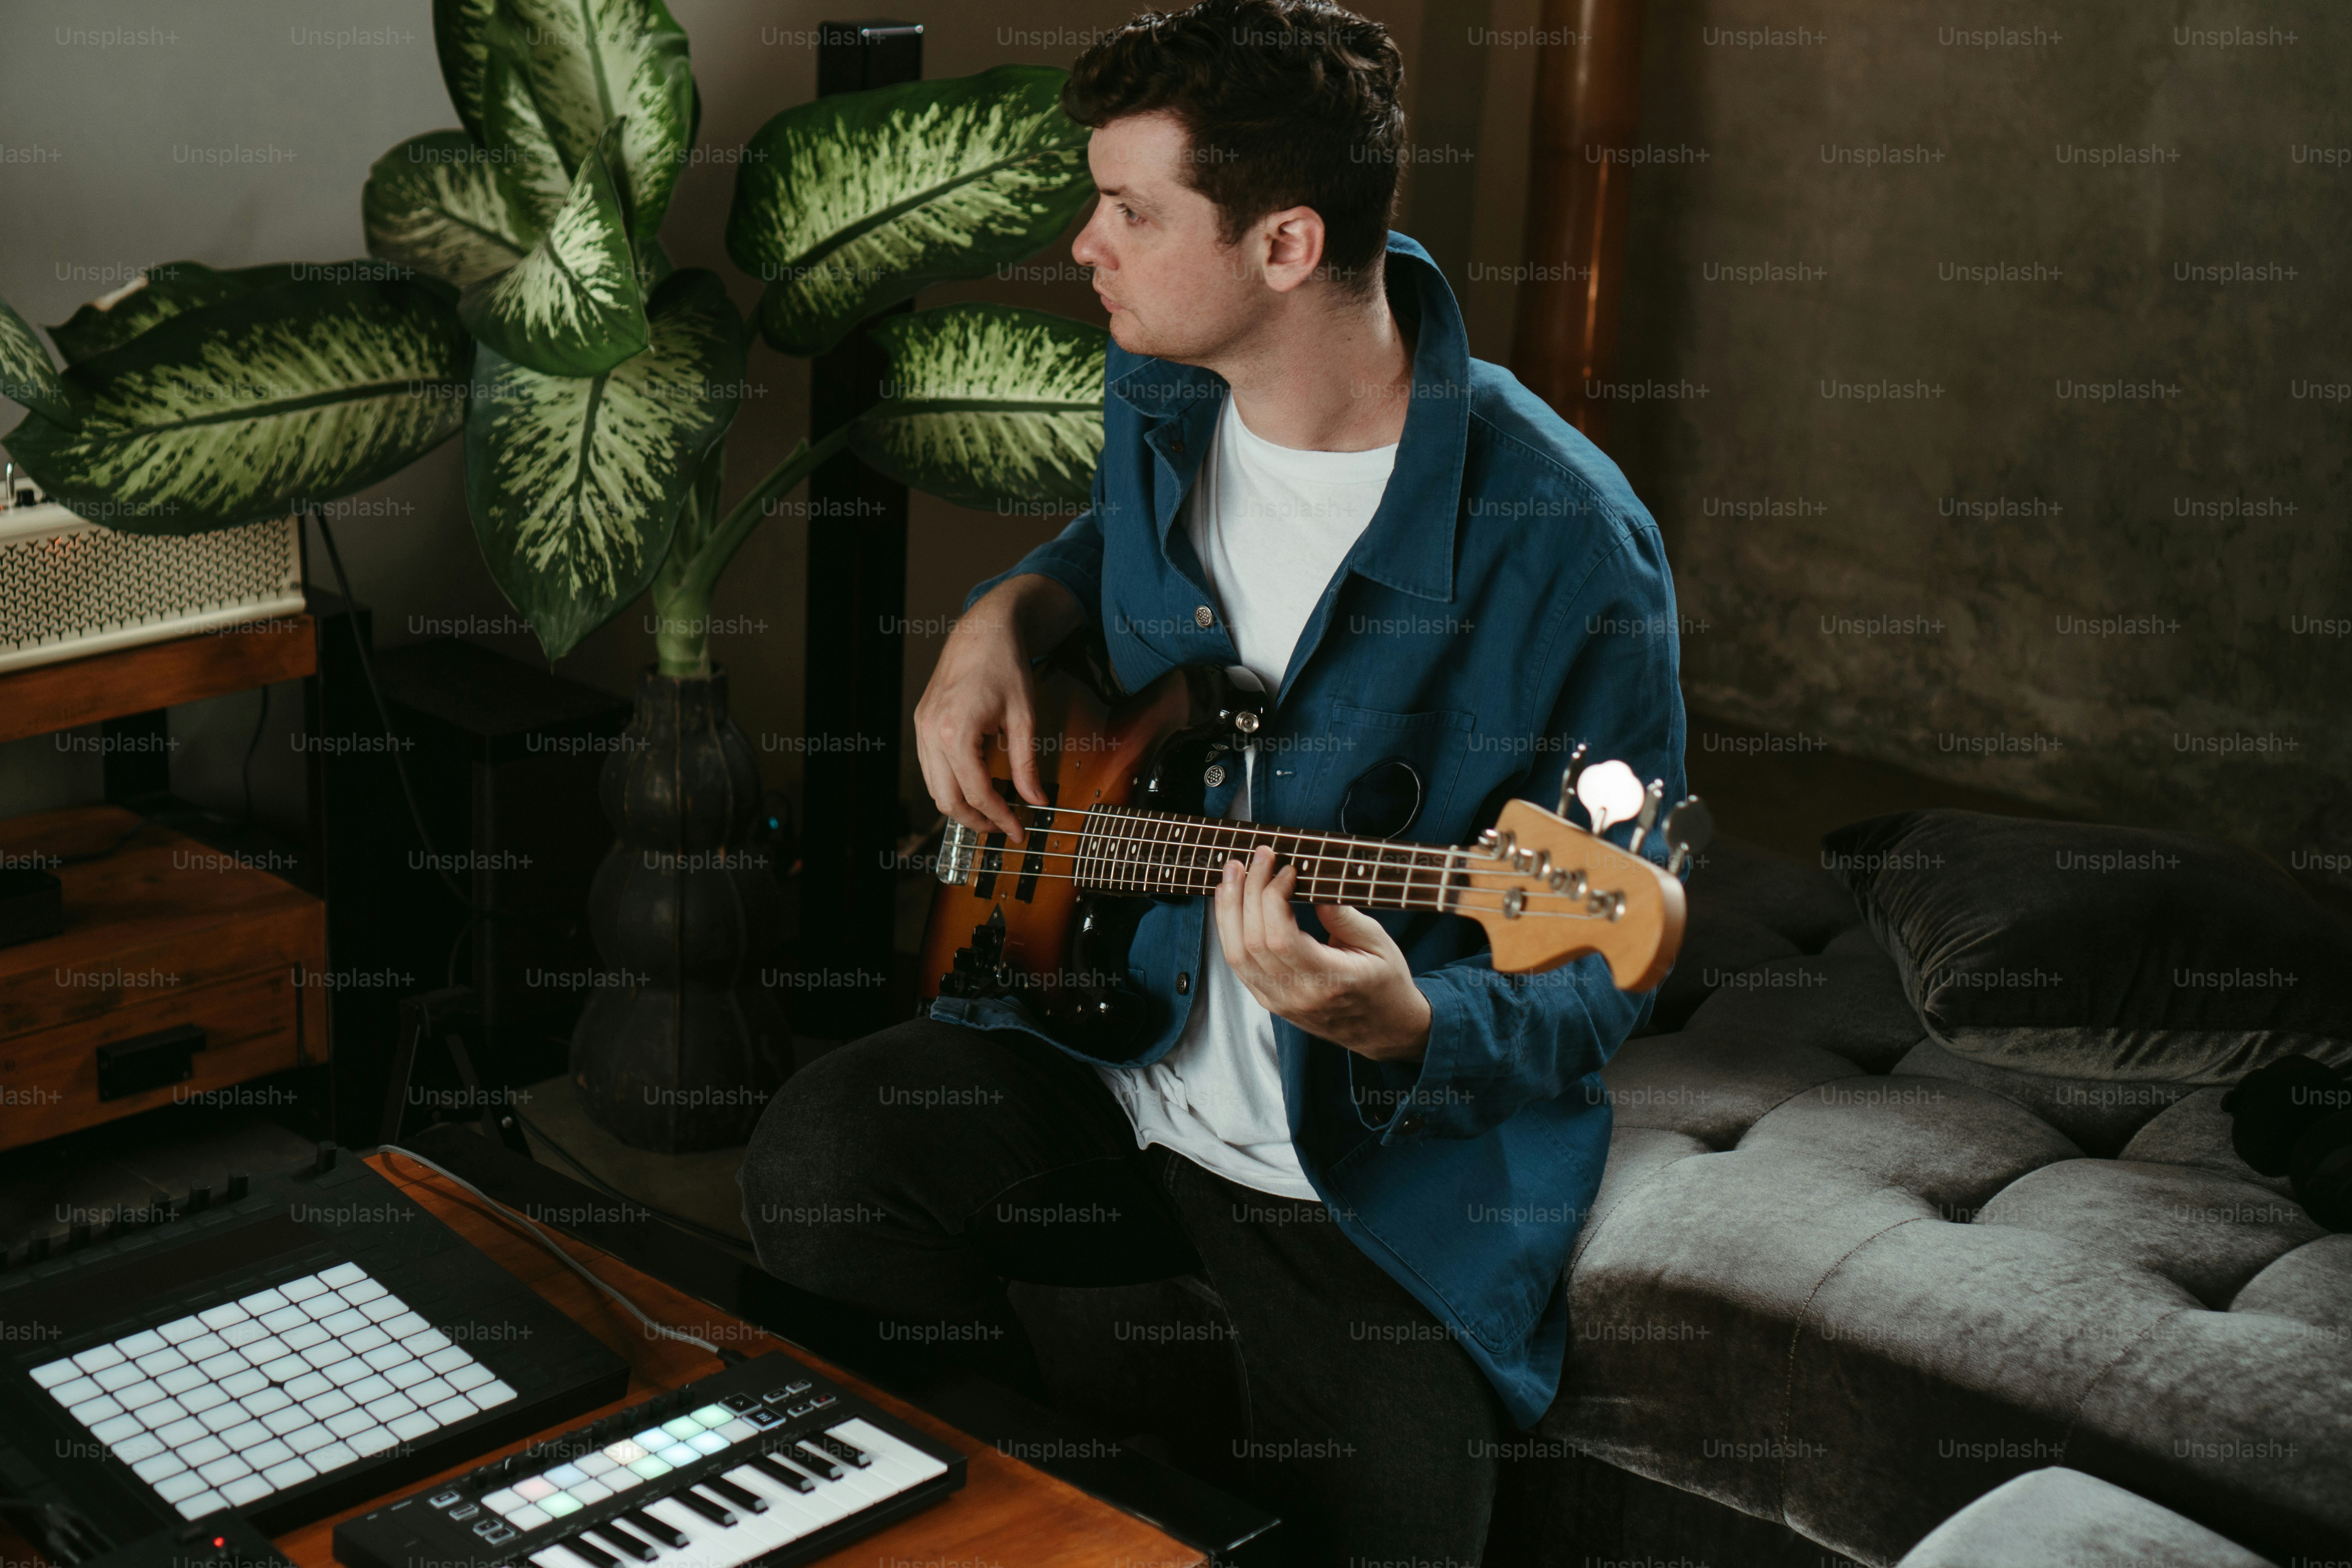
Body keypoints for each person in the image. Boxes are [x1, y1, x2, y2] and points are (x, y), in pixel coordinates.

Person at [740, 1, 1686, 1560]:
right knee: (825, 1151)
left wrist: (1415, 1020)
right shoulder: (1166, 391)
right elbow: (1120, 557)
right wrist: (1007, 613)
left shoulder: (1573, 546)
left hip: (1360, 1180)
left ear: (1286, 245)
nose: (1085, 244)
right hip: (1102, 1054)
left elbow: (1604, 951)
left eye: (1130, 210)